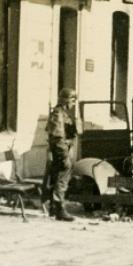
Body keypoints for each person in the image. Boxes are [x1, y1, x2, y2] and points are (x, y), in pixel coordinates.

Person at [45, 87, 78, 222]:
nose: (73, 104)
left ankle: (54, 207)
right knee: (63, 174)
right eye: (72, 101)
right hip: (60, 150)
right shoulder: (58, 113)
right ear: (66, 101)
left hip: (64, 148)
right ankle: (60, 209)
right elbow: (57, 137)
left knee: (57, 175)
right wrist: (64, 155)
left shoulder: (63, 113)